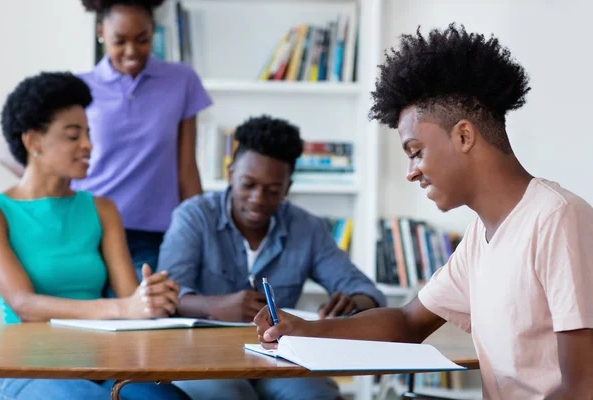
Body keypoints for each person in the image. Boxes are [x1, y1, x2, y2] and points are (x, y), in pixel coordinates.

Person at [254, 24, 593, 400]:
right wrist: (305, 329)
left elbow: (582, 388)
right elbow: (406, 322)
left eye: (415, 151)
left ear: (464, 136)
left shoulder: (559, 220)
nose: (411, 171)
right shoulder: (481, 238)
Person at [157, 115, 386, 400]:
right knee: (230, 394)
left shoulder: (307, 229)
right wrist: (214, 306)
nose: (258, 198)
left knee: (318, 394)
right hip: (204, 351)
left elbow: (369, 292)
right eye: (248, 185)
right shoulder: (194, 217)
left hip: (278, 355)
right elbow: (165, 298)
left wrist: (354, 303)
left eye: (273, 191)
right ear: (230, 174)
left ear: (288, 188)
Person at [0, 72, 188, 400]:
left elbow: (131, 300)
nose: (88, 144)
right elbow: (25, 305)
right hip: (28, 365)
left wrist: (150, 299)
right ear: (32, 141)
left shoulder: (102, 210)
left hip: (104, 360)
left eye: (87, 133)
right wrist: (122, 308)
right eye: (73, 136)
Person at [74, 0, 212, 277]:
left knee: (146, 311)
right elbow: (17, 151)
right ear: (101, 32)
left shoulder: (181, 81)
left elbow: (186, 169)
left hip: (152, 233)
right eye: (119, 41)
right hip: (86, 227)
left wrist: (203, 233)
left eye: (142, 39)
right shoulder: (79, 86)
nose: (131, 51)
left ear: (154, 32)